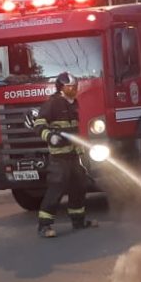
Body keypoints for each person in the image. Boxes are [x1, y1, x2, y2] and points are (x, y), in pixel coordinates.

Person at [31, 72, 96, 238]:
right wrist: (50, 137)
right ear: (61, 87)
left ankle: (78, 221)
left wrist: (82, 155)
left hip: (73, 156)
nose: (73, 89)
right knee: (56, 188)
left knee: (79, 186)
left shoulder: (73, 104)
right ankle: (44, 225)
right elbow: (38, 124)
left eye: (75, 87)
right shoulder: (53, 103)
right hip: (59, 158)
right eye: (70, 87)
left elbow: (74, 132)